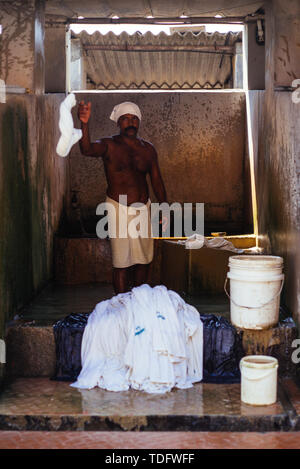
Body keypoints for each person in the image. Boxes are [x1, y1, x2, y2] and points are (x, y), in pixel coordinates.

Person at [78, 100, 167, 294]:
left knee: (144, 260)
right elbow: (86, 149)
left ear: (139, 122)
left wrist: (164, 207)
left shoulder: (148, 149)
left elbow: (157, 180)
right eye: (125, 119)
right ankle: (121, 303)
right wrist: (84, 123)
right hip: (118, 208)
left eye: (134, 118)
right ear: (118, 123)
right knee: (122, 262)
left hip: (143, 208)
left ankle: (139, 300)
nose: (130, 122)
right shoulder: (109, 145)